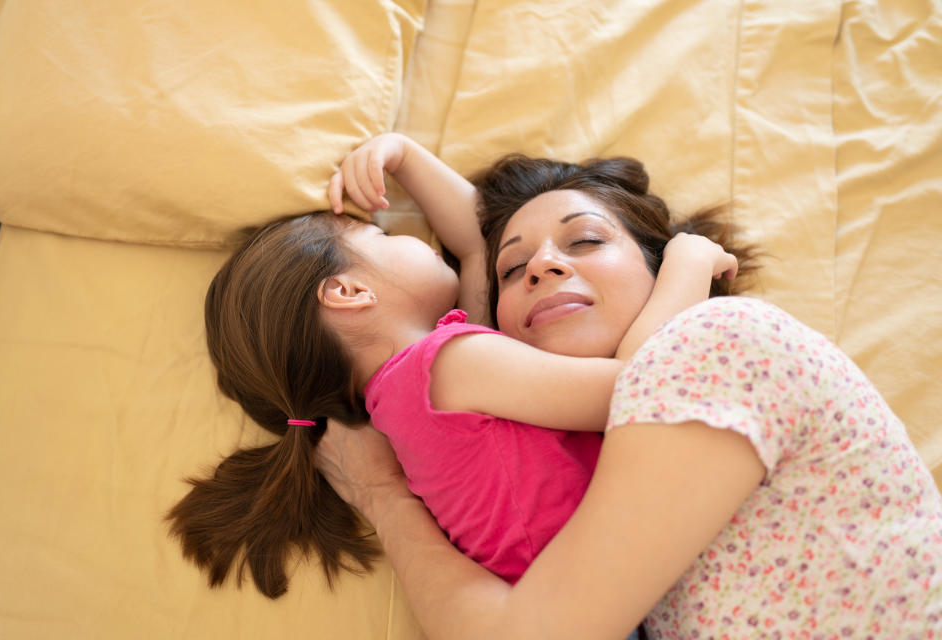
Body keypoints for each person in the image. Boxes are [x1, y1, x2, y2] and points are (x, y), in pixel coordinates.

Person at [315, 143, 942, 637]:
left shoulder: (725, 342)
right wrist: (403, 154)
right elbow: (475, 254)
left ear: (659, 266)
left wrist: (382, 495)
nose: (541, 266)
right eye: (514, 269)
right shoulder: (495, 386)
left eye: (586, 240)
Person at [166, 133, 750, 603]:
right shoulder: (447, 364)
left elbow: (475, 244)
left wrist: (405, 155)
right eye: (381, 233)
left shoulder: (408, 395)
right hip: (587, 591)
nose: (413, 237)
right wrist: (686, 263)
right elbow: (633, 389)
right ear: (347, 291)